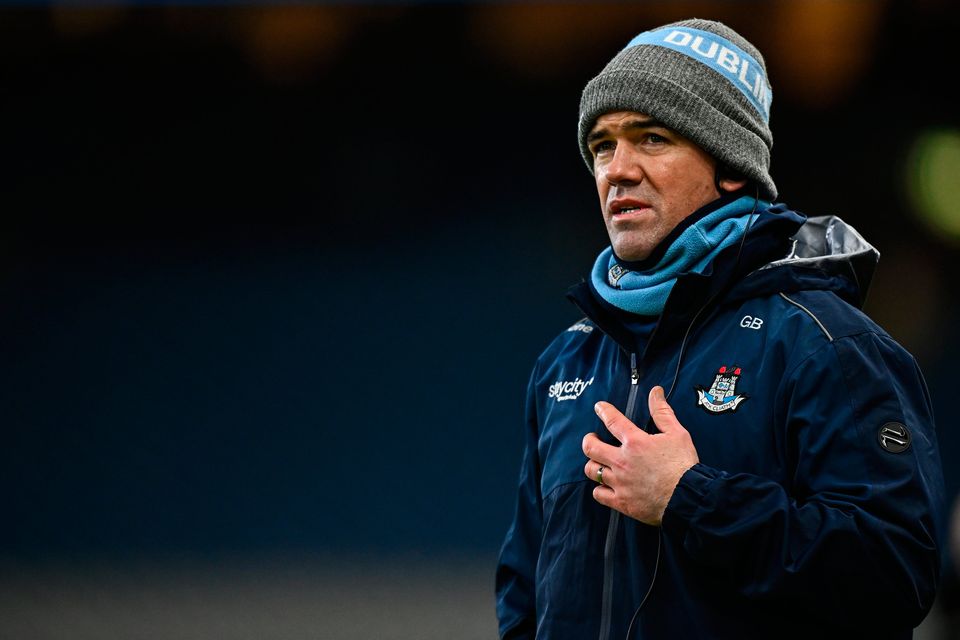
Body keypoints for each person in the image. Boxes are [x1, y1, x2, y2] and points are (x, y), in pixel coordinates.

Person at [495, 18, 947, 640]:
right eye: (602, 145)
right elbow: (526, 592)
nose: (616, 170)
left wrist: (690, 498)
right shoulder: (566, 362)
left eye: (651, 139)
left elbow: (894, 577)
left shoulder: (827, 345)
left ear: (731, 167)